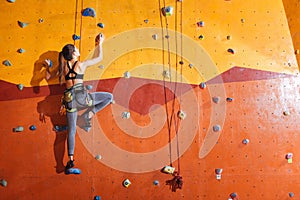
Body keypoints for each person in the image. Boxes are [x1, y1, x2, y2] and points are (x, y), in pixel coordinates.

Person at [58, 33, 113, 172]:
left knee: (71, 131)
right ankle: (89, 115)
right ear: (74, 53)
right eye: (76, 49)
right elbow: (99, 58)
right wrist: (99, 44)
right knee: (109, 97)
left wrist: (47, 66)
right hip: (82, 99)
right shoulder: (80, 65)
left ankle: (70, 160)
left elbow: (51, 74)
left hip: (69, 101)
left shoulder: (63, 67)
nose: (78, 50)